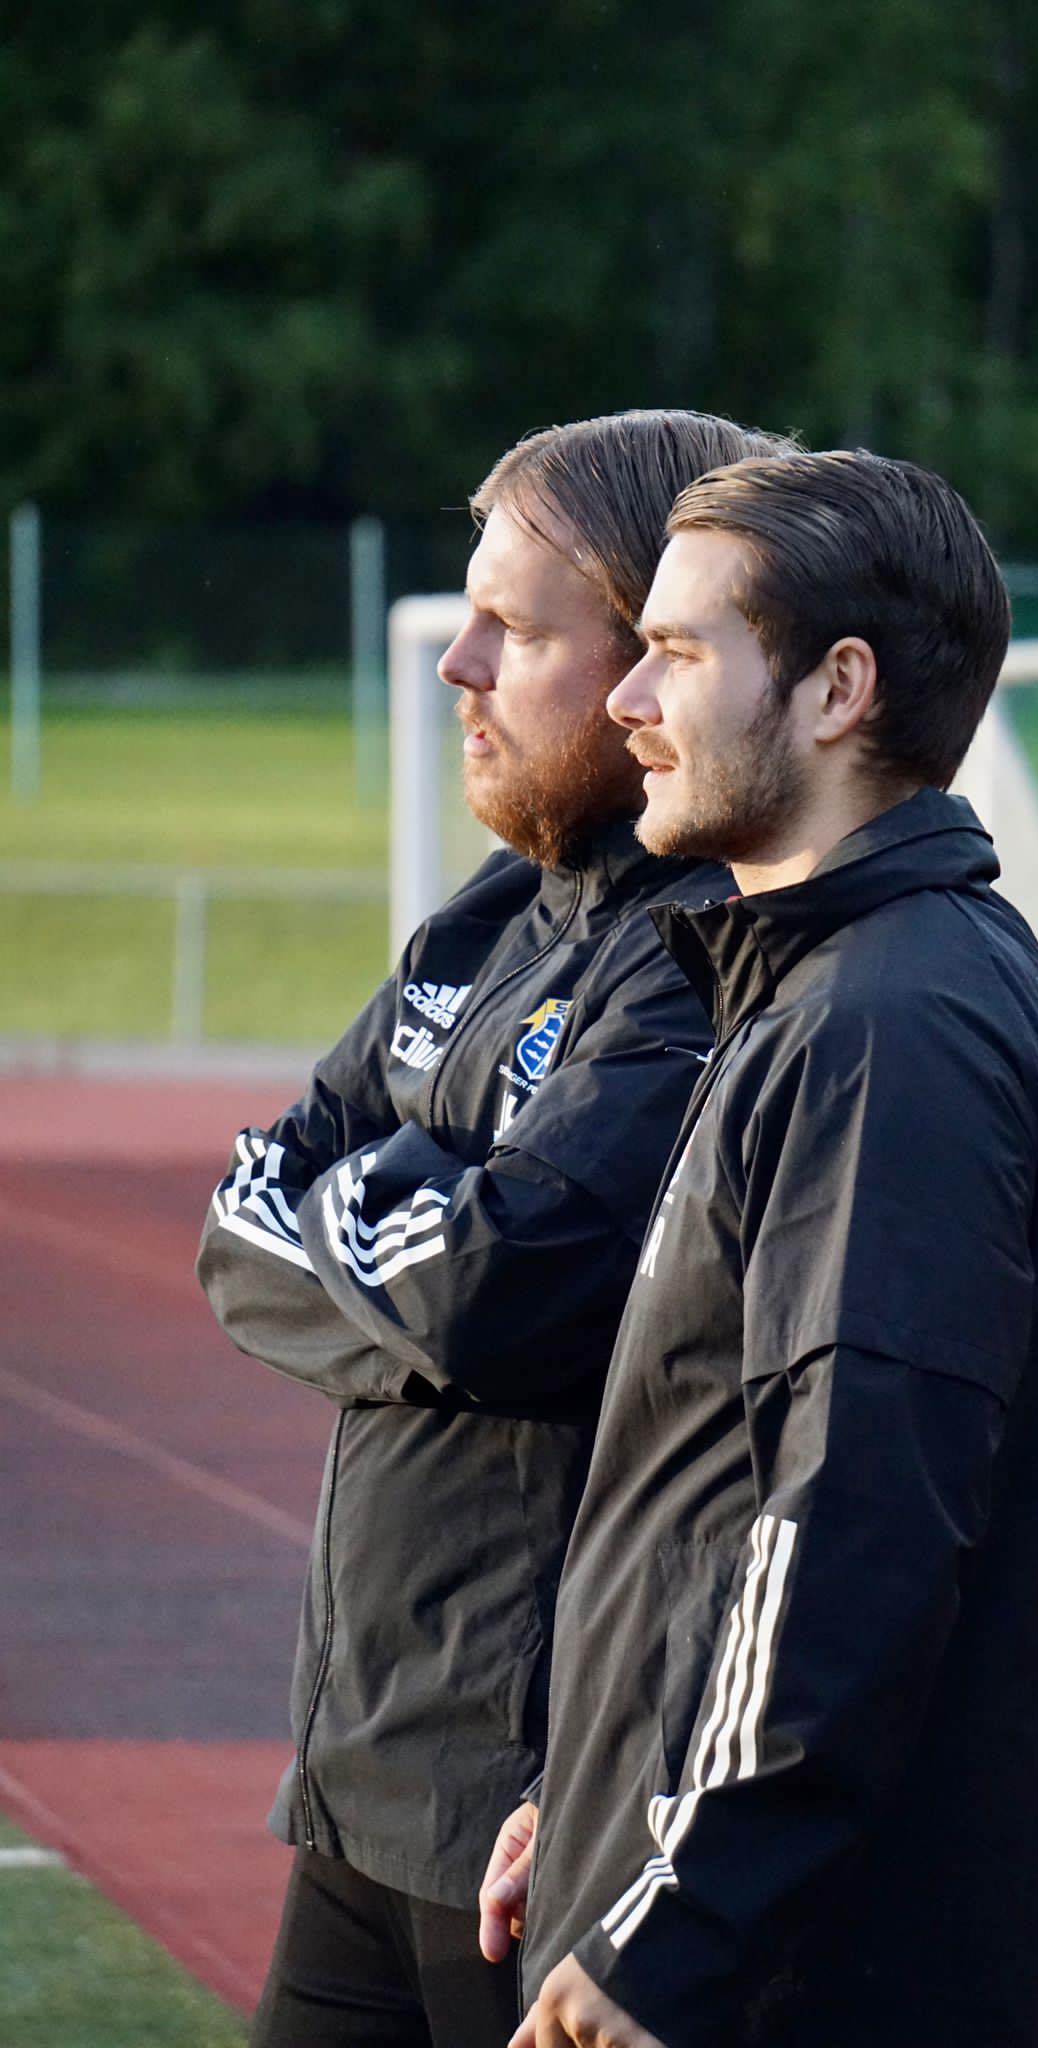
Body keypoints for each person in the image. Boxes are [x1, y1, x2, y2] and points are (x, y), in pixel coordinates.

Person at [485, 450, 1038, 2048]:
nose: (627, 698)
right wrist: (592, 1791)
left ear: (840, 689)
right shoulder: (829, 990)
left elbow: (852, 1529)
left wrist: (681, 1923)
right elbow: (713, 1494)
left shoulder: (892, 1030)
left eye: (678, 652)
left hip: (774, 1985)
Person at [196, 409, 792, 2048]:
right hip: (360, 1771)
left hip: (539, 1813)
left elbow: (497, 1291)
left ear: (653, 662)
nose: (457, 667)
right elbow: (235, 1226)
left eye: (514, 631)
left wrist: (373, 1225)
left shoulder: (697, 954)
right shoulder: (487, 918)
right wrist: (419, 1228)